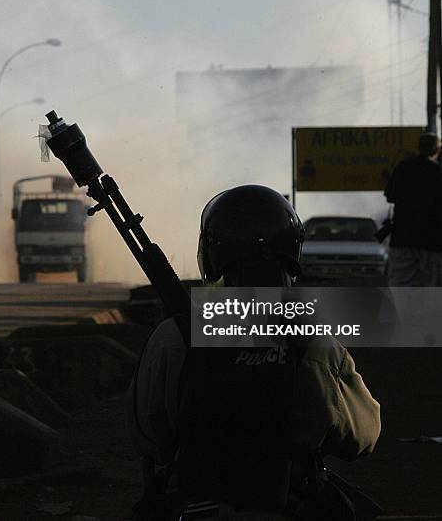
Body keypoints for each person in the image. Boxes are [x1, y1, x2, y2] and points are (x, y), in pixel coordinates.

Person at [126, 185, 381, 520]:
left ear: (213, 252)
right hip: (290, 504)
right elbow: (361, 437)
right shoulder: (313, 337)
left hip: (195, 505)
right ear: (292, 250)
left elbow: (147, 433)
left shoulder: (174, 335)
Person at [385, 132, 442, 286]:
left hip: (402, 237)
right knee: (433, 286)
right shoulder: (438, 172)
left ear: (418, 148)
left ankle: (405, 311)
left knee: (401, 284)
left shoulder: (402, 168)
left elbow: (390, 196)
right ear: (437, 150)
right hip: (432, 240)